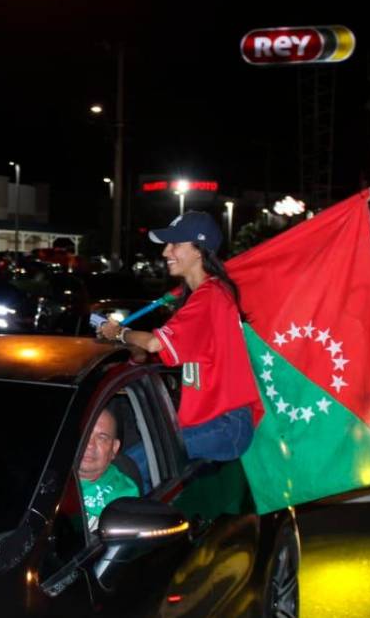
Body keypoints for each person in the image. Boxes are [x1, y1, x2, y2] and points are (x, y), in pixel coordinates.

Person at [97, 211, 263, 468]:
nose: (166, 252)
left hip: (224, 424)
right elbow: (158, 351)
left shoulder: (210, 296)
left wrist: (119, 332)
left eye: (175, 244)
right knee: (140, 461)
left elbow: (155, 343)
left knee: (130, 468)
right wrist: (131, 347)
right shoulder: (209, 294)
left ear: (199, 250)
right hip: (216, 421)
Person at [79, 407, 139, 531]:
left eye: (102, 437)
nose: (90, 445)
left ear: (114, 448)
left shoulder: (124, 494)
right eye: (85, 434)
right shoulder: (46, 475)